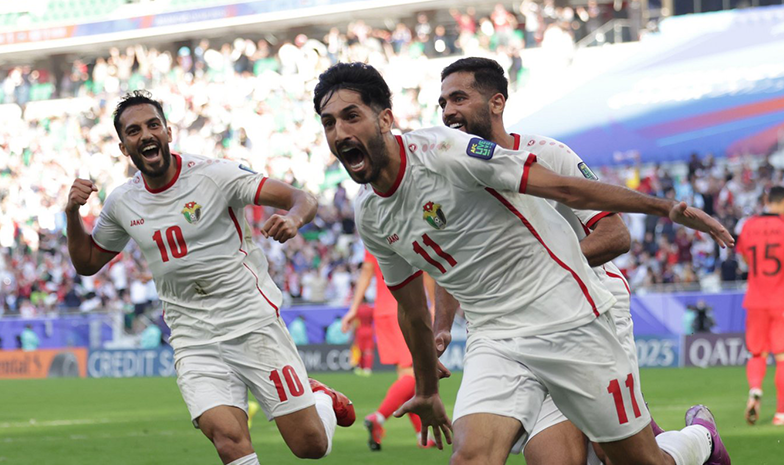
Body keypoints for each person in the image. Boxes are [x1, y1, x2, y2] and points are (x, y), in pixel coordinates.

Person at [313, 62, 733, 464]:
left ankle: (700, 440)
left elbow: (568, 190)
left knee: (635, 459)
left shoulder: (448, 151)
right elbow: (414, 304)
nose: (339, 131)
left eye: (351, 116)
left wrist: (666, 208)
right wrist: (426, 387)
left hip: (568, 319)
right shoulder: (369, 213)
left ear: (385, 119)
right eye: (329, 123)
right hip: (494, 337)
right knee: (472, 457)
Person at [66, 90, 354, 465]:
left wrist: (294, 219)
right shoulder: (122, 202)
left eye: (153, 125)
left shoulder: (215, 175)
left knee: (309, 446)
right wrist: (72, 213)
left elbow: (302, 197)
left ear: (168, 131)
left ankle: (321, 400)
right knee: (228, 440)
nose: (146, 135)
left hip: (251, 323)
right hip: (192, 337)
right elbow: (87, 262)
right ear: (124, 148)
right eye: (134, 131)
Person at [433, 56, 665, 465]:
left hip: (589, 308)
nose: (448, 111)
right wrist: (440, 329)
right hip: (507, 325)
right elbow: (449, 261)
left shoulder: (547, 154)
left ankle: (695, 442)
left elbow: (615, 235)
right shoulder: (447, 178)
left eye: (459, 98)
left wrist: (539, 270)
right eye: (443, 103)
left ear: (496, 103)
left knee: (612, 454)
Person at [340, 250, 431, 450]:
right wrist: (433, 306)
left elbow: (367, 270)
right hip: (406, 307)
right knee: (413, 376)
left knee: (405, 377)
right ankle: (378, 418)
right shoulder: (406, 224)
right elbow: (427, 267)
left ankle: (421, 437)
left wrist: (354, 308)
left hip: (382, 311)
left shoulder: (372, 224)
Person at [735, 185, 784, 426]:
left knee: (757, 353)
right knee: (783, 357)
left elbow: (744, 257)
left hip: (755, 298)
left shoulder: (749, 225)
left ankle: (755, 390)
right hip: (781, 299)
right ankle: (781, 414)